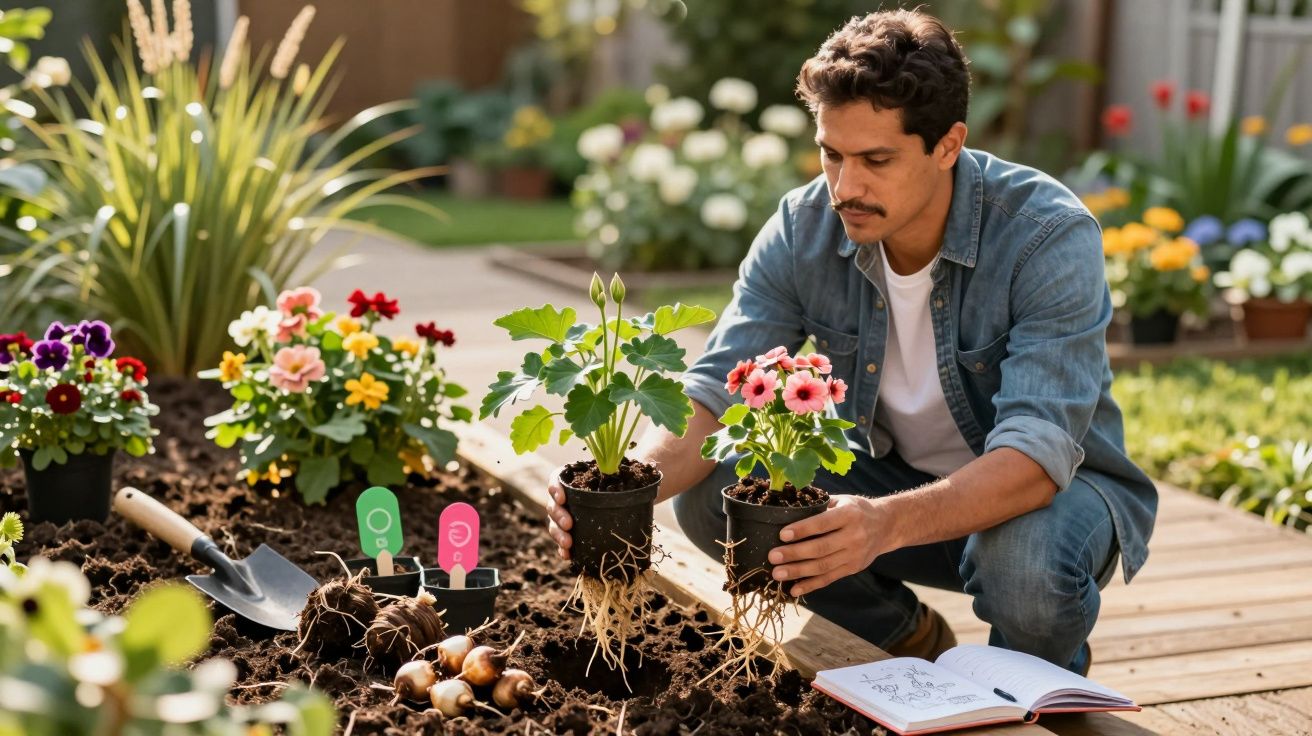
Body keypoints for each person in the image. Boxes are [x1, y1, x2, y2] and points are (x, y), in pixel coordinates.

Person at [547, 8, 1156, 676]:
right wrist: (624, 487)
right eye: (832, 154)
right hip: (893, 487)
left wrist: (882, 524)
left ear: (948, 145)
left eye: (876, 160)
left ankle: (1036, 688)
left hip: (1051, 504)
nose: (846, 187)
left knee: (1025, 564)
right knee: (720, 488)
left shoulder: (1046, 236)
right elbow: (718, 390)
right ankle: (902, 638)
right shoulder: (805, 228)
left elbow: (1036, 455)